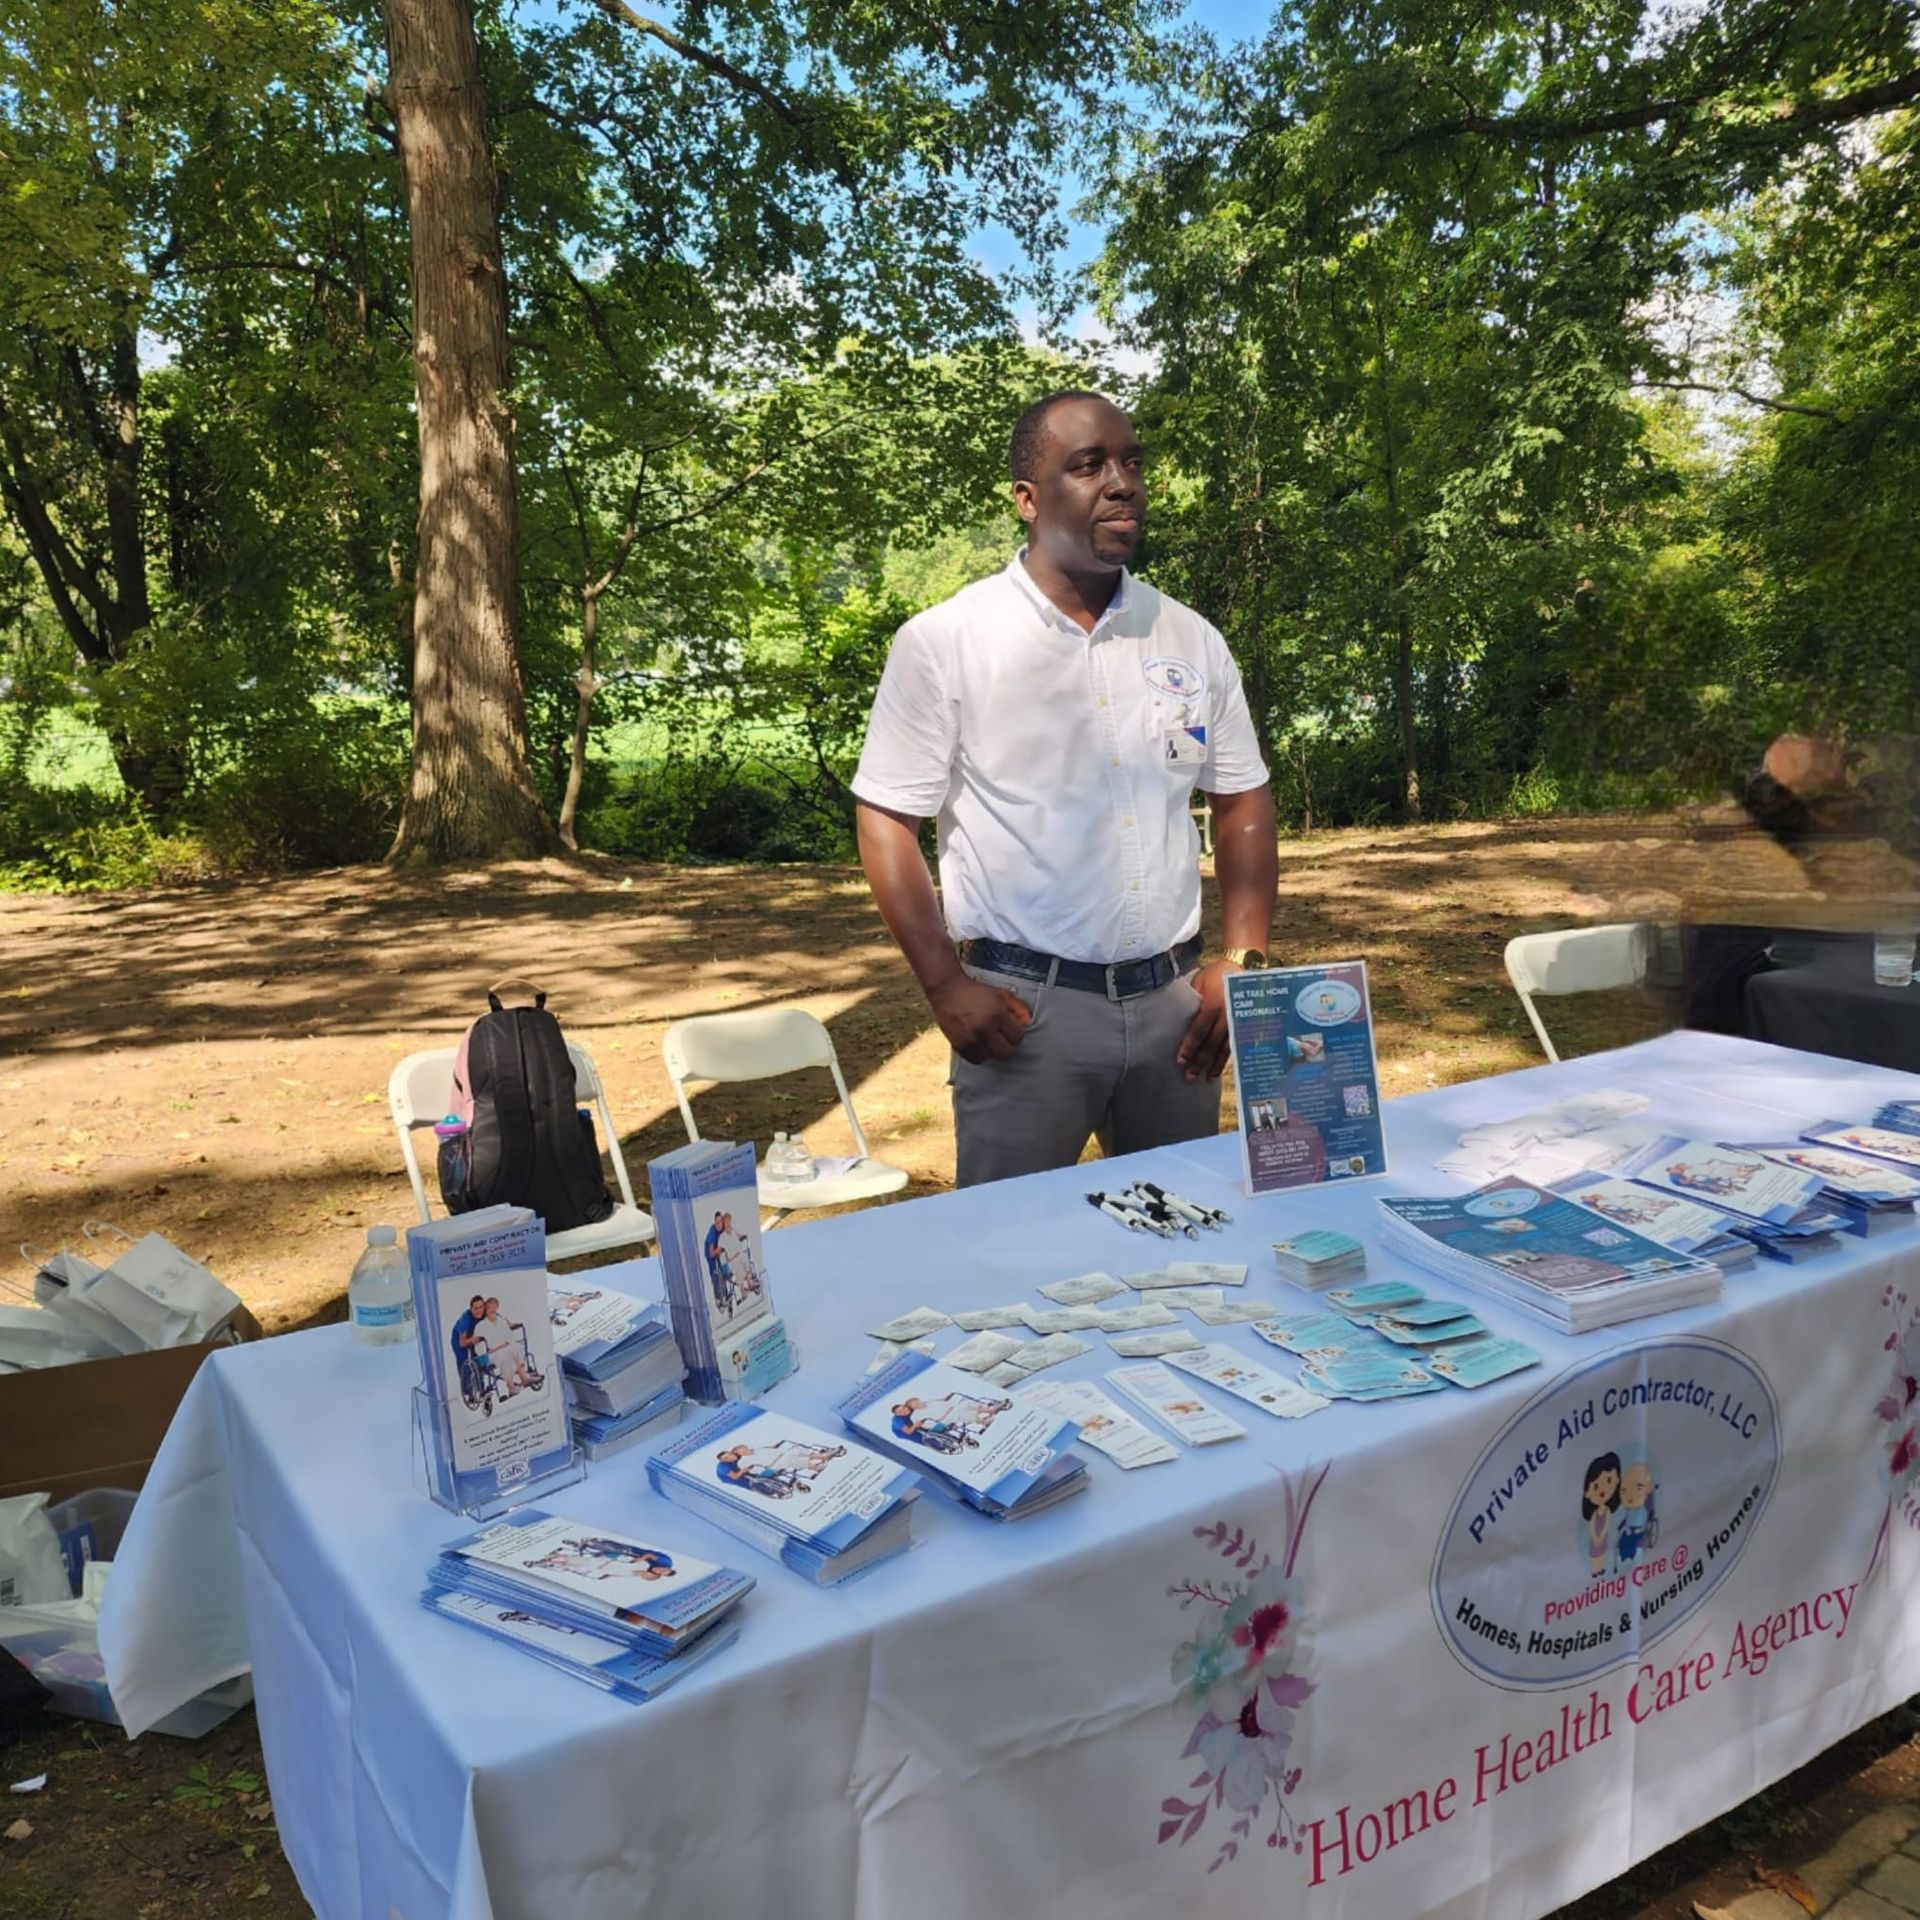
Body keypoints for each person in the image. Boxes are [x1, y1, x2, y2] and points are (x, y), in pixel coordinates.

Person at [852, 390, 1279, 1185]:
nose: (1122, 483)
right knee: (1012, 1261)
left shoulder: (1188, 636)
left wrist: (1244, 960)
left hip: (1178, 1011)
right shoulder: (948, 641)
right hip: (1023, 1016)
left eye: (1132, 463)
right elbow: (885, 818)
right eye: (1088, 466)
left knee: (1191, 1245)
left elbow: (1241, 797)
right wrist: (944, 983)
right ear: (1027, 498)